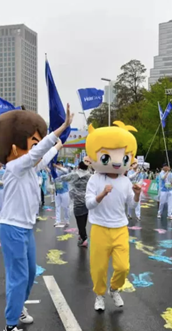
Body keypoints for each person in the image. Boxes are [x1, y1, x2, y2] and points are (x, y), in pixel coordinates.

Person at [0, 105, 73, 331]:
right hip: (12, 228)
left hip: (25, 228)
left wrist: (59, 144)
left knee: (30, 274)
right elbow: (37, 155)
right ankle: (10, 327)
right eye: (30, 144)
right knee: (18, 277)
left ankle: (19, 308)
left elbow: (43, 157)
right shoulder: (14, 167)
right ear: (15, 149)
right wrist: (60, 129)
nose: (33, 150)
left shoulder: (29, 168)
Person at [85, 121, 142, 312]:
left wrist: (137, 194)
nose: (117, 162)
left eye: (123, 157)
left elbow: (131, 205)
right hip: (100, 227)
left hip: (120, 228)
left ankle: (114, 289)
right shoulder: (95, 179)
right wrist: (101, 194)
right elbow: (89, 203)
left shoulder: (126, 181)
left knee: (122, 267)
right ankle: (99, 295)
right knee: (99, 268)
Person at [56, 160, 92, 246]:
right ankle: (82, 234)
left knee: (79, 220)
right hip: (87, 200)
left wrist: (56, 178)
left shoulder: (74, 175)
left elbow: (63, 178)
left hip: (77, 201)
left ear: (78, 167)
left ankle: (84, 238)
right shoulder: (90, 176)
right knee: (84, 219)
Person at [53, 161, 71, 227]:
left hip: (64, 191)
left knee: (65, 207)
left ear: (62, 165)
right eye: (57, 164)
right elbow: (50, 172)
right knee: (57, 206)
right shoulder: (55, 172)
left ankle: (66, 220)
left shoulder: (65, 171)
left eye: (59, 164)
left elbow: (67, 171)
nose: (58, 166)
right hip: (57, 192)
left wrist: (57, 166)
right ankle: (57, 221)